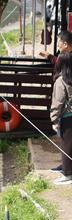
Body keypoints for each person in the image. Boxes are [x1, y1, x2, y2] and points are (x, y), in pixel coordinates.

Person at [51, 53, 72, 185]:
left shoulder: (61, 81)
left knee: (67, 146)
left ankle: (68, 174)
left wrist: (54, 119)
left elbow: (58, 102)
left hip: (67, 118)